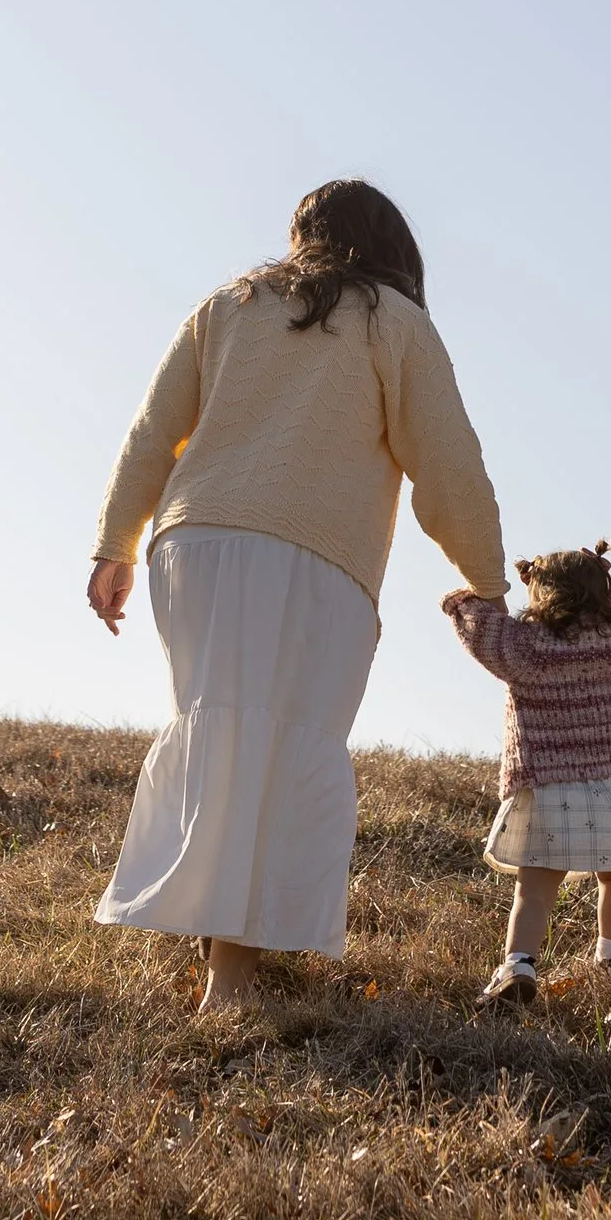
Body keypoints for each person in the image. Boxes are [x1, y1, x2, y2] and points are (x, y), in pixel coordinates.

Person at [89, 180, 505, 1011]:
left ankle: (223, 954)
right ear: (393, 247)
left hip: (195, 544)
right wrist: (489, 580)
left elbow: (151, 432)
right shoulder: (395, 321)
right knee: (279, 745)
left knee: (223, 733)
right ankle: (229, 980)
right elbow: (447, 463)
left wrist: (115, 544)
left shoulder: (228, 306)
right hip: (316, 557)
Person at [442, 540, 611, 1008]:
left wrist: (467, 596)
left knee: (534, 890)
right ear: (602, 589)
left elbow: (483, 631)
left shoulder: (526, 648)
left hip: (554, 786)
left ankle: (519, 964)